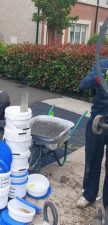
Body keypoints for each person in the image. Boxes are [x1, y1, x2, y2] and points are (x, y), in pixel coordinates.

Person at [76, 58, 108, 213]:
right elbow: (83, 84)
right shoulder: (103, 64)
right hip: (97, 121)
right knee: (92, 160)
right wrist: (97, 76)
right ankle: (89, 195)